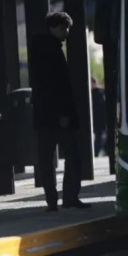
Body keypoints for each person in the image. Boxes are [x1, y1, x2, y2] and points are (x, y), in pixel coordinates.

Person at [29, 11, 90, 211]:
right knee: (72, 156)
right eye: (63, 28)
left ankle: (52, 200)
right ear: (52, 28)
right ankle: (69, 196)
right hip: (58, 116)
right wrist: (62, 114)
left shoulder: (41, 48)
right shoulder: (51, 51)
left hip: (44, 116)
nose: (66, 32)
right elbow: (55, 86)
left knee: (46, 160)